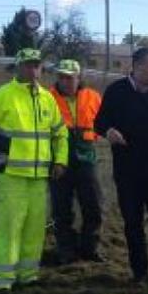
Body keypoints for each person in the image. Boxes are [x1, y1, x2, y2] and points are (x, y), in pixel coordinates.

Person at [0, 49, 68, 291]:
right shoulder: (1, 96)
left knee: (34, 228)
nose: (33, 70)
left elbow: (60, 134)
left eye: (37, 66)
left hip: (38, 178)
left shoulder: (48, 99)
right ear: (18, 67)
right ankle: (3, 279)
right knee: (9, 227)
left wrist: (60, 161)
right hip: (10, 176)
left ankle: (28, 275)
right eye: (28, 65)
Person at [94, 47, 148, 289]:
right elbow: (99, 121)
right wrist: (108, 131)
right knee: (132, 222)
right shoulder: (116, 91)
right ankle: (139, 273)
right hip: (127, 170)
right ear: (136, 67)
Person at [48, 59, 104, 264]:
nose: (65, 81)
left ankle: (89, 248)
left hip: (86, 157)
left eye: (70, 77)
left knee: (93, 206)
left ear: (79, 77)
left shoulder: (93, 97)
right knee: (61, 209)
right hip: (57, 160)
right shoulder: (47, 97)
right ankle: (66, 251)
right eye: (61, 77)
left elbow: (104, 122)